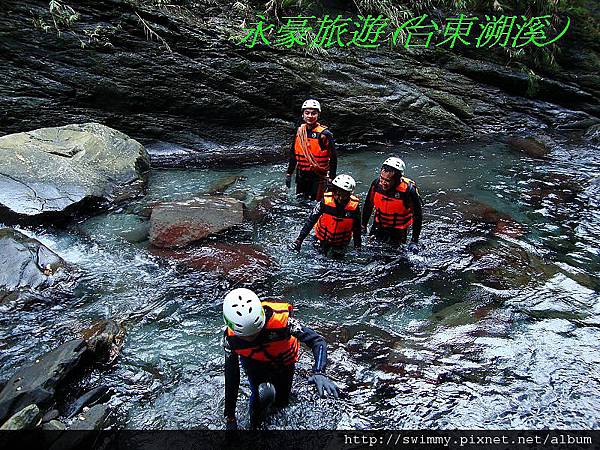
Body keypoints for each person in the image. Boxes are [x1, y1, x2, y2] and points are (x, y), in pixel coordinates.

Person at [222, 288, 339, 430]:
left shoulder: (285, 323)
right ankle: (254, 425)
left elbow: (317, 341)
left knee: (282, 403)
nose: (252, 339)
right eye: (246, 337)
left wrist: (319, 371)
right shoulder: (230, 340)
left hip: (284, 362)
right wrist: (230, 417)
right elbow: (231, 376)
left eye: (256, 333)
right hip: (254, 363)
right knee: (262, 395)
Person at [362, 157, 423, 253]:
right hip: (378, 225)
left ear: (398, 179)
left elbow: (417, 216)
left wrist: (414, 241)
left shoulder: (408, 191)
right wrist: (363, 225)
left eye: (387, 180)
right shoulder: (376, 184)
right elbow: (368, 205)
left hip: (398, 231)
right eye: (382, 178)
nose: (383, 183)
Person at [291, 174, 361, 257]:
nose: (340, 198)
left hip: (341, 243)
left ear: (349, 194)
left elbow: (357, 229)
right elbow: (311, 220)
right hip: (321, 239)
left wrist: (358, 248)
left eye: (344, 195)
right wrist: (299, 240)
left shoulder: (354, 207)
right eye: (338, 194)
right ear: (333, 190)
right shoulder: (325, 202)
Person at [285, 99, 337, 201]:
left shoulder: (324, 134)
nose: (310, 116)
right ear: (303, 115)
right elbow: (293, 155)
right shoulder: (299, 131)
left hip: (318, 176)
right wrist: (289, 173)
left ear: (318, 115)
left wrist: (331, 178)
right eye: (307, 113)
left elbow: (333, 158)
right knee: (300, 201)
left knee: (315, 204)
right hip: (301, 175)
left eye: (313, 113)